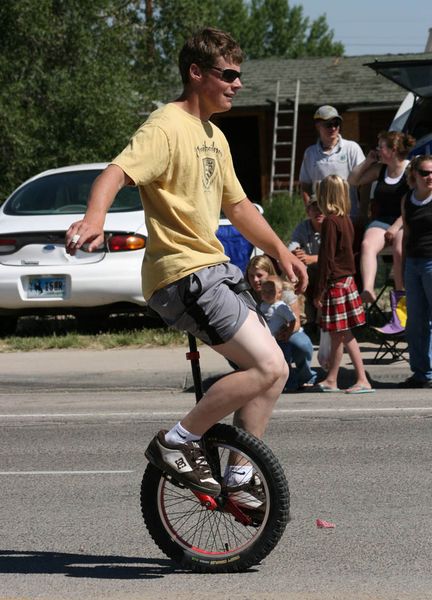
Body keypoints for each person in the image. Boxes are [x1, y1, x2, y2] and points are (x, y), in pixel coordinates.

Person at [65, 27, 307, 501]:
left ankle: (238, 474)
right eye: (229, 74)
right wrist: (95, 217)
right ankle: (179, 439)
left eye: (240, 75)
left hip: (214, 271)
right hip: (182, 274)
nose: (238, 84)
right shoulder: (164, 127)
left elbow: (238, 209)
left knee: (273, 369)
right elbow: (114, 174)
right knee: (265, 365)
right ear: (197, 74)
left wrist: (280, 250)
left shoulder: (215, 135)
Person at [313, 175, 374, 394]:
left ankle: (361, 379)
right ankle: (332, 379)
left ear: (324, 195)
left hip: (336, 283)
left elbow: (327, 259)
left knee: (344, 334)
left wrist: (318, 290)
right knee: (338, 335)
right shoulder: (346, 220)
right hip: (347, 281)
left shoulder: (330, 221)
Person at [348, 131, 416, 303]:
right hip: (383, 220)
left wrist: (395, 227)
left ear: (393, 150)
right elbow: (353, 180)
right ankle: (368, 289)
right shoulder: (380, 169)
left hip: (405, 220)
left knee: (399, 250)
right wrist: (368, 161)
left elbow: (412, 204)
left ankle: (401, 297)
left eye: (381, 146)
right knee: (366, 244)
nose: (377, 149)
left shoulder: (410, 170)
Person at [246, 255, 316, 391]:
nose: (255, 280)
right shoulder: (247, 295)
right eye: (251, 276)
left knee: (301, 344)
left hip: (284, 332)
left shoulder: (285, 291)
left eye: (259, 275)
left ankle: (305, 376)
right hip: (261, 335)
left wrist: (284, 333)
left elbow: (295, 322)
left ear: (269, 273)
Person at [398, 155, 432, 389]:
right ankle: (421, 372)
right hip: (413, 263)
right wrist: (400, 272)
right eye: (425, 173)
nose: (430, 177)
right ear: (414, 175)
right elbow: (407, 234)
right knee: (415, 321)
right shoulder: (407, 200)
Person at [299, 105, 365, 220]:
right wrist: (310, 211)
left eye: (336, 124)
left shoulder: (352, 148)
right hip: (322, 218)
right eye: (328, 124)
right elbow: (305, 186)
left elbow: (364, 183)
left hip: (349, 216)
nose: (333, 128)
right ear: (318, 125)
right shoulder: (310, 153)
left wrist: (363, 211)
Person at [259, 276, 317, 391]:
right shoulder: (262, 306)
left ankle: (291, 383)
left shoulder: (281, 306)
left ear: (279, 293)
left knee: (285, 363)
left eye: (271, 291)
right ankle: (277, 382)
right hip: (270, 339)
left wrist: (287, 333)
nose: (267, 294)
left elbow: (293, 320)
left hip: (281, 340)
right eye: (264, 291)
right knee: (275, 363)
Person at [288, 196, 324, 330]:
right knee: (293, 273)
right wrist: (296, 253)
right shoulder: (303, 227)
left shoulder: (331, 226)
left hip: (327, 270)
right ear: (308, 211)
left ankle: (320, 322)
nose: (318, 212)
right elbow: (292, 246)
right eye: (314, 208)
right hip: (308, 270)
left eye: (321, 208)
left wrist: (311, 258)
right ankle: (299, 319)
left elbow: (337, 257)